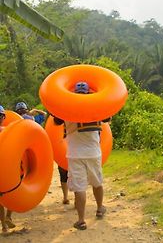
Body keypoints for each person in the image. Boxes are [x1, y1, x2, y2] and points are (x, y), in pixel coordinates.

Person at [53, 81, 111, 230]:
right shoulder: (95, 107)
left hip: (74, 154)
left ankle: (81, 220)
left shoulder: (66, 108)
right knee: (97, 182)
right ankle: (99, 209)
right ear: (87, 93)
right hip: (93, 153)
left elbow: (56, 121)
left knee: (80, 188)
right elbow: (108, 118)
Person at [0, 105, 15, 233]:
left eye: (1, 116)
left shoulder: (8, 130)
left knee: (13, 193)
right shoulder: (7, 130)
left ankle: (8, 217)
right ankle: (4, 224)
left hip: (9, 168)